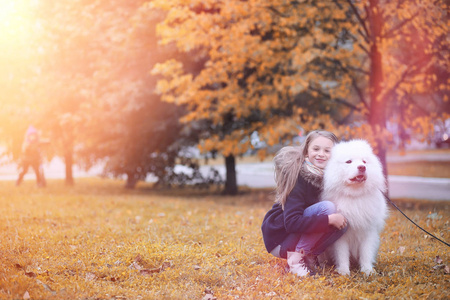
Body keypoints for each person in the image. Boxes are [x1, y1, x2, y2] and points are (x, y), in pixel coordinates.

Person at [261, 130, 348, 277]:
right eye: (316, 149)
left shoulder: (327, 177)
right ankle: (296, 260)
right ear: (307, 151)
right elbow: (292, 222)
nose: (321, 154)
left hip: (294, 236)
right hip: (281, 239)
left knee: (343, 223)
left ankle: (308, 256)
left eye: (328, 151)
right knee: (328, 209)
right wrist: (329, 220)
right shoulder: (299, 177)